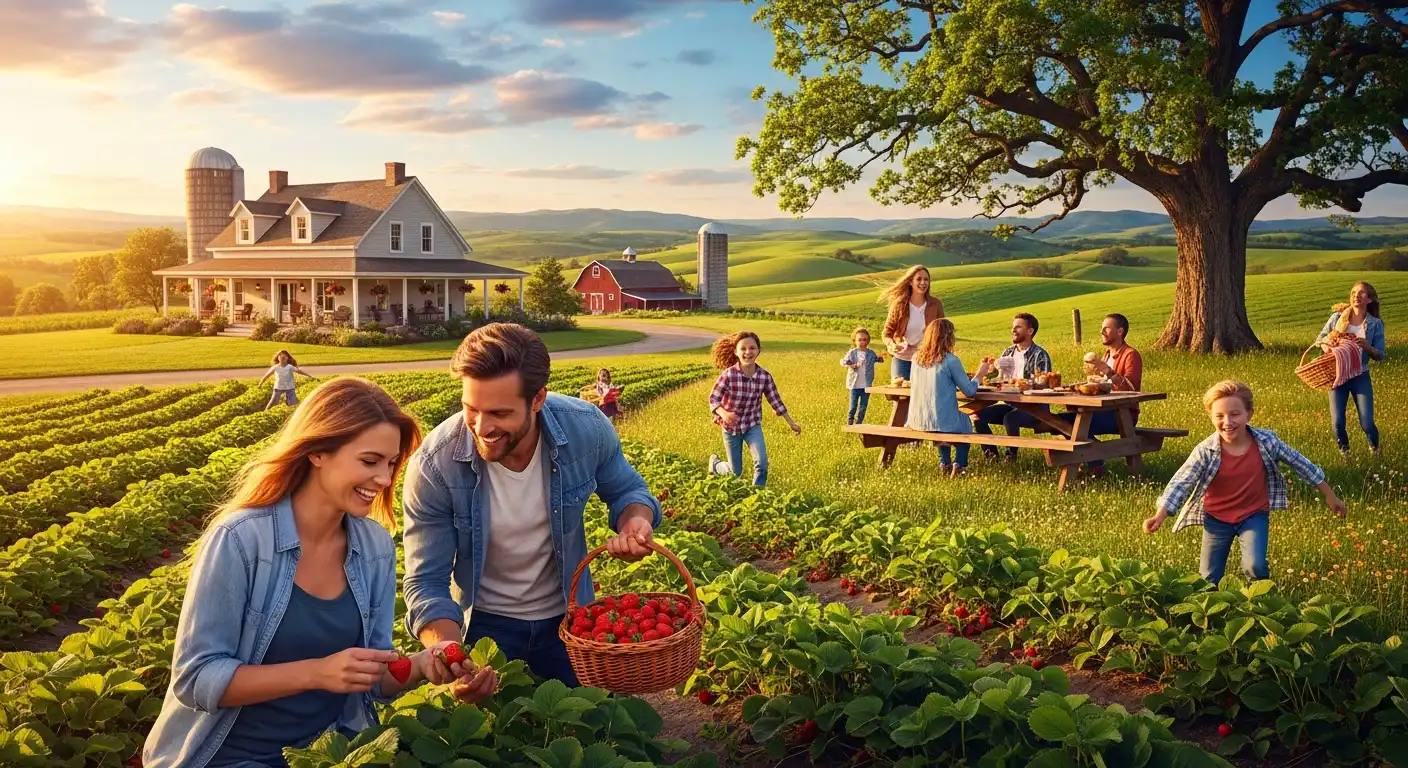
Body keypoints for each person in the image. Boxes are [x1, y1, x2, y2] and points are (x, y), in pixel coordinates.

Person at [144, 378, 433, 768]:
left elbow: (372, 677)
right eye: (369, 461)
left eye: (391, 463)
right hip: (230, 755)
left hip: (326, 754)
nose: (384, 479)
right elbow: (196, 678)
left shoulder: (375, 548)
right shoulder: (241, 540)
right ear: (318, 451)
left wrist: (422, 666)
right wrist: (316, 673)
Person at [401, 323, 660, 699]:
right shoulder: (435, 465)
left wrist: (636, 520)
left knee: (586, 726)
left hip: (569, 621)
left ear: (538, 399)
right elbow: (426, 581)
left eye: (499, 413)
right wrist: (448, 653)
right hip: (485, 627)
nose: (482, 426)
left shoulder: (587, 429)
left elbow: (627, 490)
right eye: (470, 409)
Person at [1143, 380, 1346, 586]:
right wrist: (1161, 514)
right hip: (1217, 519)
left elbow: (1301, 463)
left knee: (1254, 566)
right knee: (1208, 578)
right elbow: (1182, 482)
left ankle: (1259, 606)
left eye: (1235, 414)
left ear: (1249, 414)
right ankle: (1209, 615)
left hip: (1253, 515)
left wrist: (1330, 494)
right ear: (1211, 417)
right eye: (1219, 416)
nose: (1227, 422)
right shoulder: (1205, 451)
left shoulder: (1267, 442)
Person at [706, 331, 802, 487]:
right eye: (743, 348)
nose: (747, 352)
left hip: (752, 425)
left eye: (752, 348)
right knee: (735, 472)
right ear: (736, 352)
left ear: (758, 351)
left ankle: (757, 495)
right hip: (731, 428)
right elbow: (713, 398)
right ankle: (716, 465)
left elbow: (775, 401)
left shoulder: (764, 377)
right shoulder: (728, 375)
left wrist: (791, 423)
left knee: (761, 463)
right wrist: (724, 413)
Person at [1060, 313, 1143, 479]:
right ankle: (1095, 458)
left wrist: (1106, 369)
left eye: (1106, 328)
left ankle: (1095, 464)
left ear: (1120, 331)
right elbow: (1105, 387)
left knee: (1074, 424)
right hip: (1100, 410)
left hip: (1122, 415)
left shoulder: (1130, 355)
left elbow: (1131, 389)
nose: (1102, 332)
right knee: (1060, 421)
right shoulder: (1106, 354)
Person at [906, 319, 992, 477]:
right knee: (965, 421)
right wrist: (980, 373)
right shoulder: (950, 360)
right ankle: (960, 464)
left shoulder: (916, 358)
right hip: (940, 421)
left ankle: (944, 462)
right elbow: (970, 392)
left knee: (943, 418)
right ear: (948, 337)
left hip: (917, 420)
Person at [1315, 282, 1384, 457]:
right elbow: (1320, 340)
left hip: (1360, 375)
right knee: (1338, 422)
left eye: (1361, 293)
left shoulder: (1375, 324)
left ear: (1369, 299)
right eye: (1354, 292)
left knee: (1367, 423)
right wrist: (1329, 346)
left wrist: (1367, 347)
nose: (1356, 296)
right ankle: (1345, 454)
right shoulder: (1337, 318)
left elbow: (1380, 355)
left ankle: (1375, 450)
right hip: (1338, 375)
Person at [974, 313, 1053, 462]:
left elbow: (1044, 384)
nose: (1013, 330)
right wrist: (992, 372)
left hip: (1034, 407)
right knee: (978, 415)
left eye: (1018, 327)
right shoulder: (1007, 352)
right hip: (1010, 403)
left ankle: (1011, 456)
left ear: (1030, 331)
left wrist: (1023, 383)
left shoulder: (1040, 355)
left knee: (1010, 418)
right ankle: (991, 454)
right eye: (1013, 327)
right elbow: (997, 380)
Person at [881, 266, 944, 381]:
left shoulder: (935, 305)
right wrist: (891, 344)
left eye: (926, 279)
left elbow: (943, 332)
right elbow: (887, 333)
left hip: (926, 359)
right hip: (902, 359)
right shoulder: (899, 305)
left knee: (924, 396)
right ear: (910, 281)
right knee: (900, 395)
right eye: (919, 279)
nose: (923, 283)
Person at [840, 327, 883, 425]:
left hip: (866, 386)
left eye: (865, 340)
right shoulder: (852, 353)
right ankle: (850, 423)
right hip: (854, 385)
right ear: (855, 341)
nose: (862, 342)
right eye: (860, 340)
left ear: (868, 341)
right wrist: (850, 364)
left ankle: (859, 424)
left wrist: (880, 358)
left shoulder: (871, 353)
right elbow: (843, 362)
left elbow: (877, 359)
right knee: (853, 406)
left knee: (863, 407)